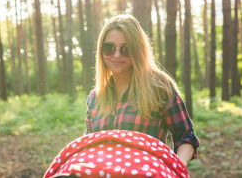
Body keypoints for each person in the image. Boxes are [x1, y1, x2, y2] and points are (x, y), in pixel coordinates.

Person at [85, 14, 199, 167]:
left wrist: (176, 168)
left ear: (138, 50)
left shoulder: (159, 88)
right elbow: (87, 147)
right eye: (109, 48)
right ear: (101, 51)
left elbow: (186, 137)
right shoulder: (95, 97)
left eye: (125, 49)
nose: (116, 55)